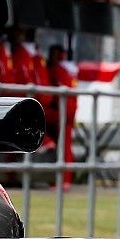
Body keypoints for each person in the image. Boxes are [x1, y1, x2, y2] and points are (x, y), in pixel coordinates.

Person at [47, 44, 78, 188]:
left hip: (64, 111)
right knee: (65, 145)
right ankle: (64, 179)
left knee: (65, 146)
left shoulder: (60, 69)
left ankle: (64, 180)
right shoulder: (69, 69)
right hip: (67, 110)